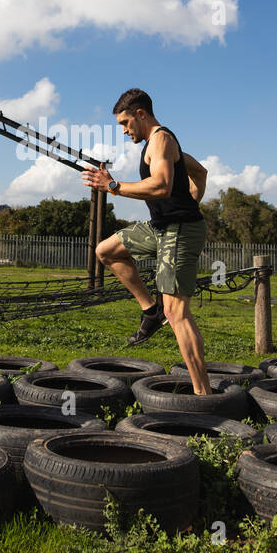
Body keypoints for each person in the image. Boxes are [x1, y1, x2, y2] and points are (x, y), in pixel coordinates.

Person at [82, 88, 213, 394]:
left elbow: (162, 186)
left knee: (177, 313)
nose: (125, 130)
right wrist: (194, 199)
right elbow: (200, 172)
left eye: (126, 123)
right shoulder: (159, 145)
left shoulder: (162, 139)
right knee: (107, 250)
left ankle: (204, 395)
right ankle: (150, 310)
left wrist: (113, 186)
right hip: (161, 227)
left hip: (179, 231)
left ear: (141, 114)